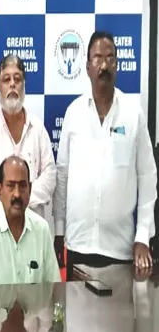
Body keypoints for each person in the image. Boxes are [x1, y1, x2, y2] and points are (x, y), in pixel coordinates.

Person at [54, 31, 156, 276]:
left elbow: (148, 176)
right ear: (88, 67)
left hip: (120, 248)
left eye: (110, 58)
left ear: (117, 66)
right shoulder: (74, 113)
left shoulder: (133, 114)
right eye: (98, 58)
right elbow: (62, 175)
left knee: (120, 304)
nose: (104, 66)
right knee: (76, 304)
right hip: (78, 244)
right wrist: (58, 231)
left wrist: (143, 235)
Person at [0, 55, 56, 231]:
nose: (12, 84)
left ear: (24, 85)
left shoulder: (38, 129)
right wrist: (7, 207)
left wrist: (21, 201)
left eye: (17, 79)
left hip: (35, 227)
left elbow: (50, 176)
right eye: (6, 79)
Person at [0, 156, 60, 285]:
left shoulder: (41, 228)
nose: (17, 194)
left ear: (30, 189)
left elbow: (54, 286)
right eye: (10, 186)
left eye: (22, 186)